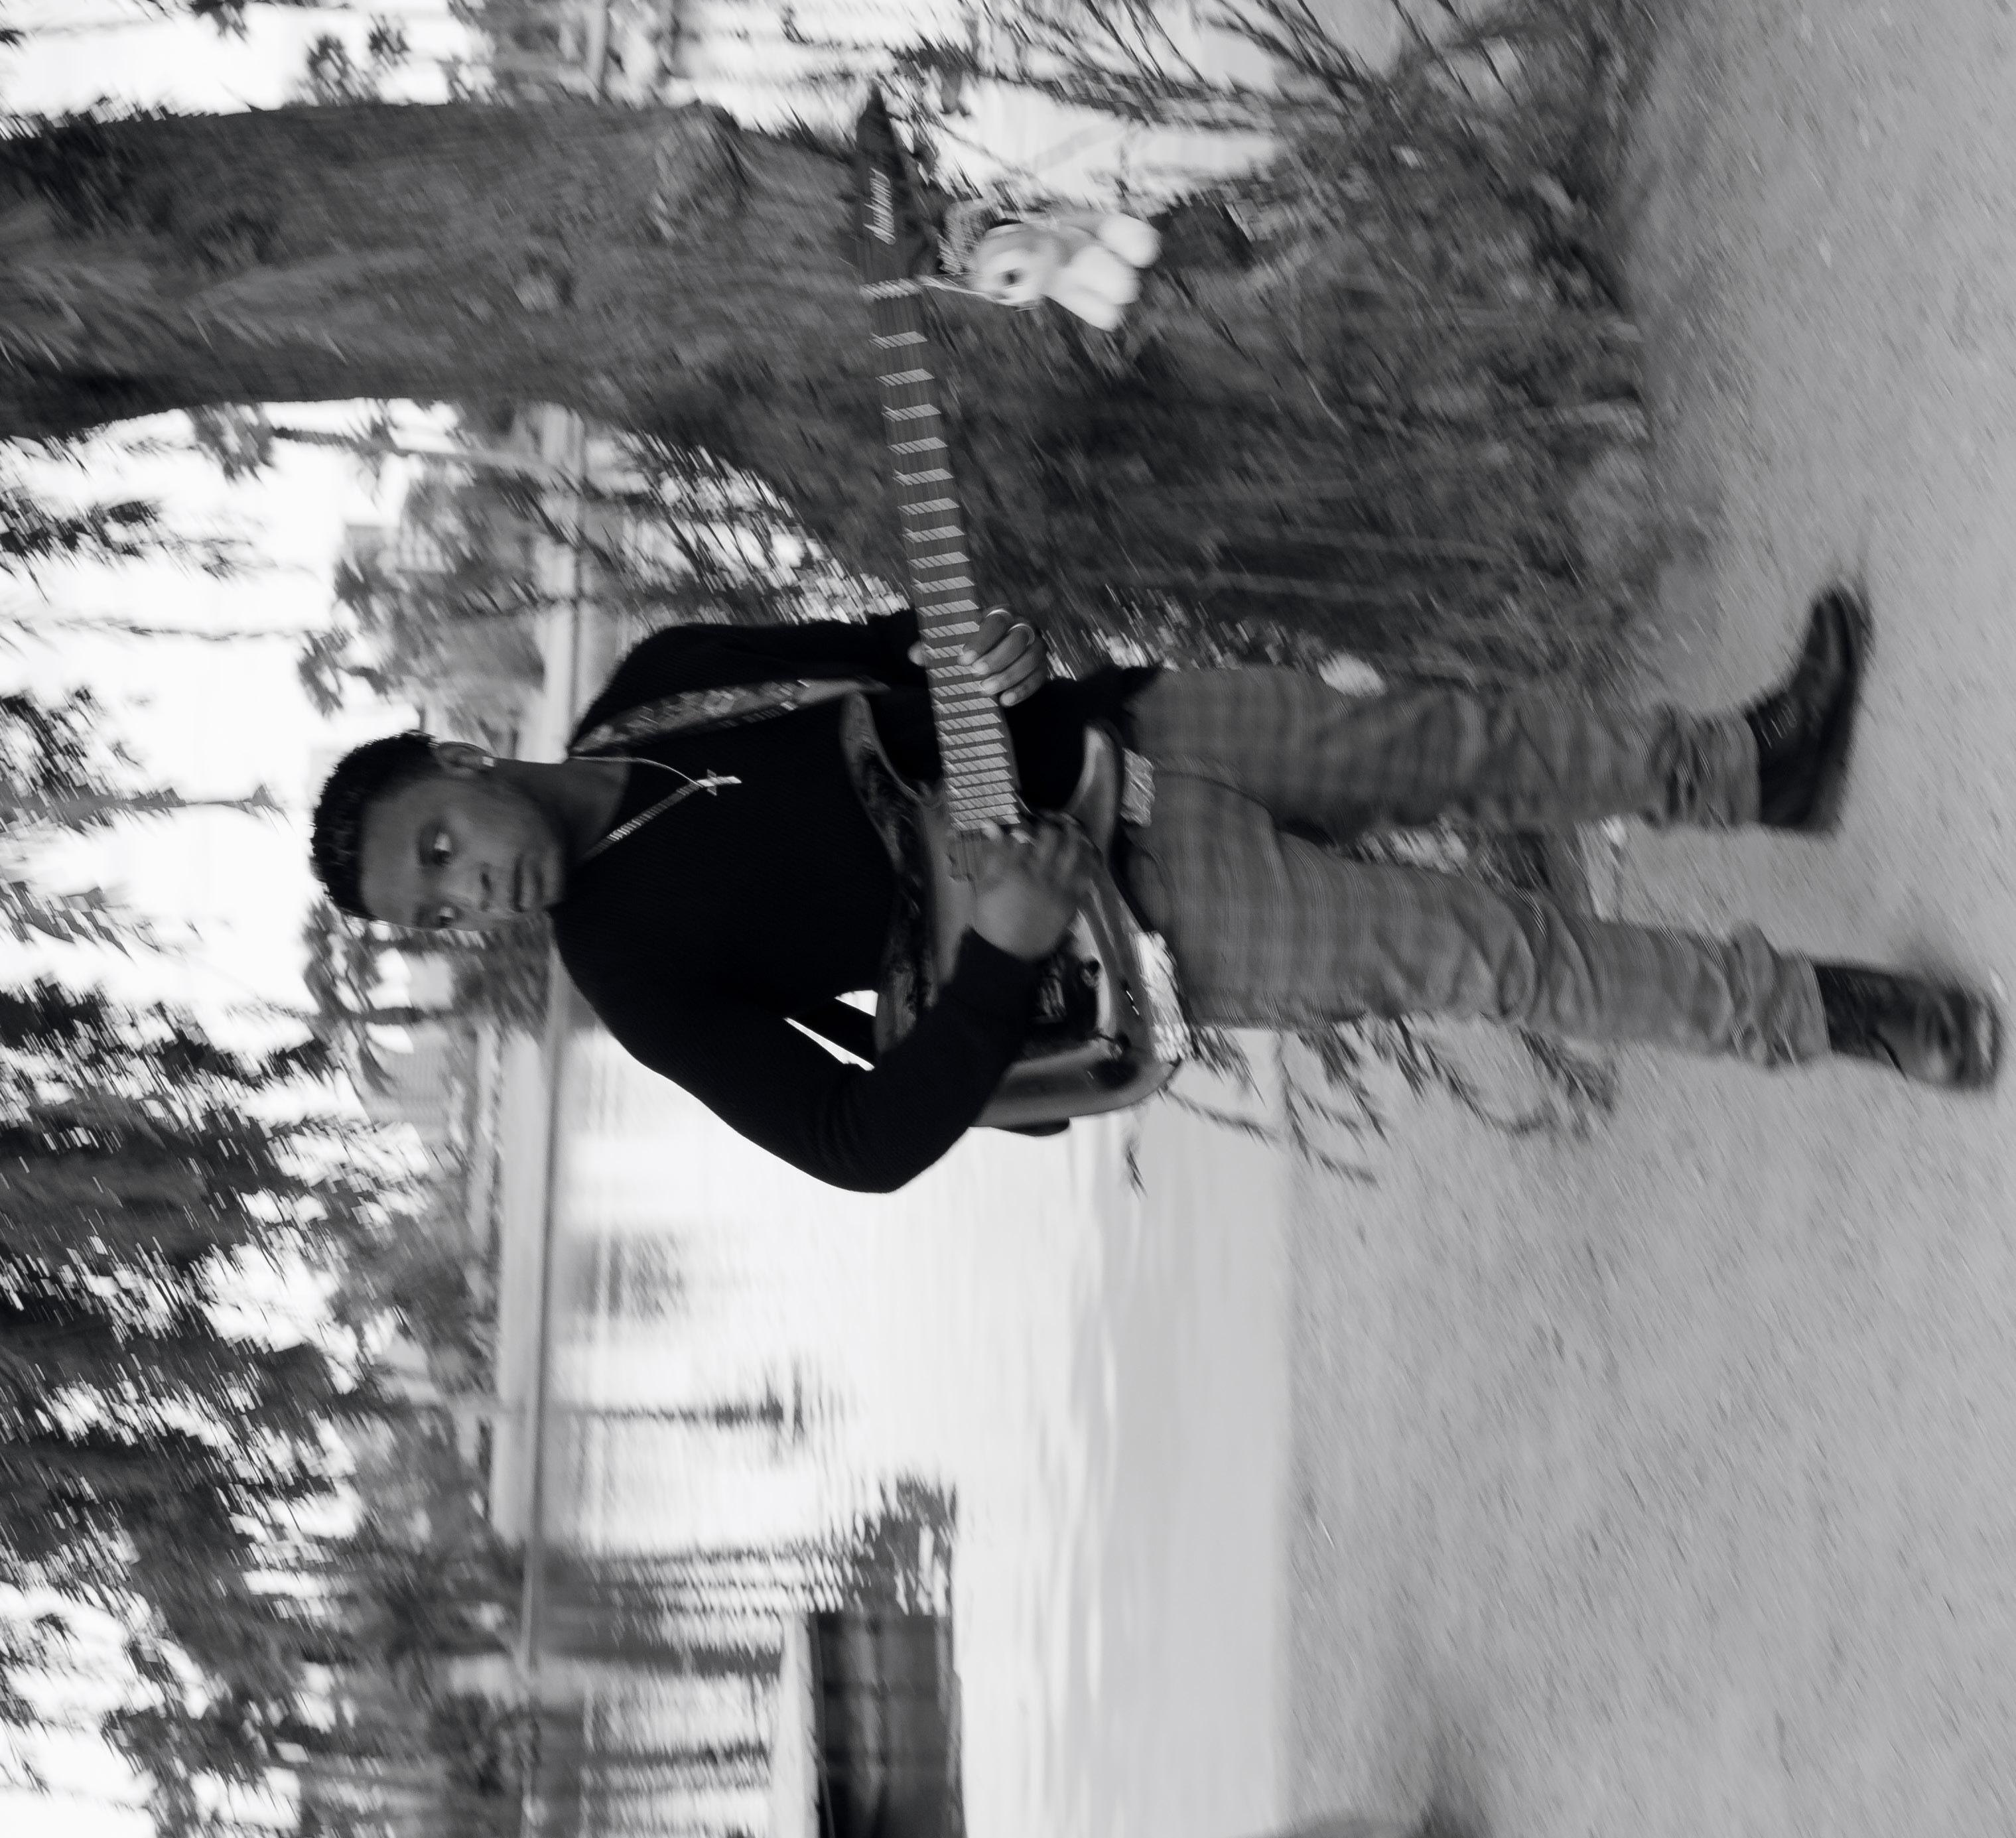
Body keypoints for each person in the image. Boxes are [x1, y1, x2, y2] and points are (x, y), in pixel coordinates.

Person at [309, 588, 1998, 1195]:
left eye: (437, 849)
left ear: (456, 756)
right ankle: (1831, 1014)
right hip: (1138, 921)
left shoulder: (659, 684)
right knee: (1497, 952)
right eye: (435, 913)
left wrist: (975, 645)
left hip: (1130, 731)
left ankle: (1747, 770)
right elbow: (854, 1141)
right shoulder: (629, 969)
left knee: (1454, 741)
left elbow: (887, 653)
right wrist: (996, 965)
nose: (469, 893)